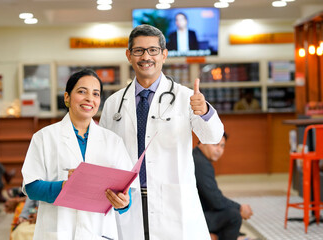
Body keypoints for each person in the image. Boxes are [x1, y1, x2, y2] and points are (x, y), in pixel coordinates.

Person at [99, 24, 224, 240]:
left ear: (164, 55)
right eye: (138, 50)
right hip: (129, 201)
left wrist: (203, 110)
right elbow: (103, 153)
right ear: (129, 55)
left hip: (173, 201)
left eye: (153, 50)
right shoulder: (113, 104)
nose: (146, 56)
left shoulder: (186, 97)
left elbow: (212, 137)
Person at [21, 68, 135, 240]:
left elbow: (126, 193)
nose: (90, 98)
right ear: (67, 97)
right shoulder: (44, 137)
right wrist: (64, 187)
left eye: (96, 94)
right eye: (82, 92)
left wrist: (124, 204)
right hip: (59, 230)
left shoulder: (113, 141)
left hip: (100, 231)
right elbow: (31, 187)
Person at [193, 133, 253, 240]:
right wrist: (240, 208)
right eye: (215, 145)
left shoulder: (197, 157)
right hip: (193, 219)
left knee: (227, 216)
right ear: (202, 142)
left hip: (195, 213)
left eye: (222, 146)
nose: (219, 150)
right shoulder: (201, 163)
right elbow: (217, 201)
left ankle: (216, 237)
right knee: (234, 216)